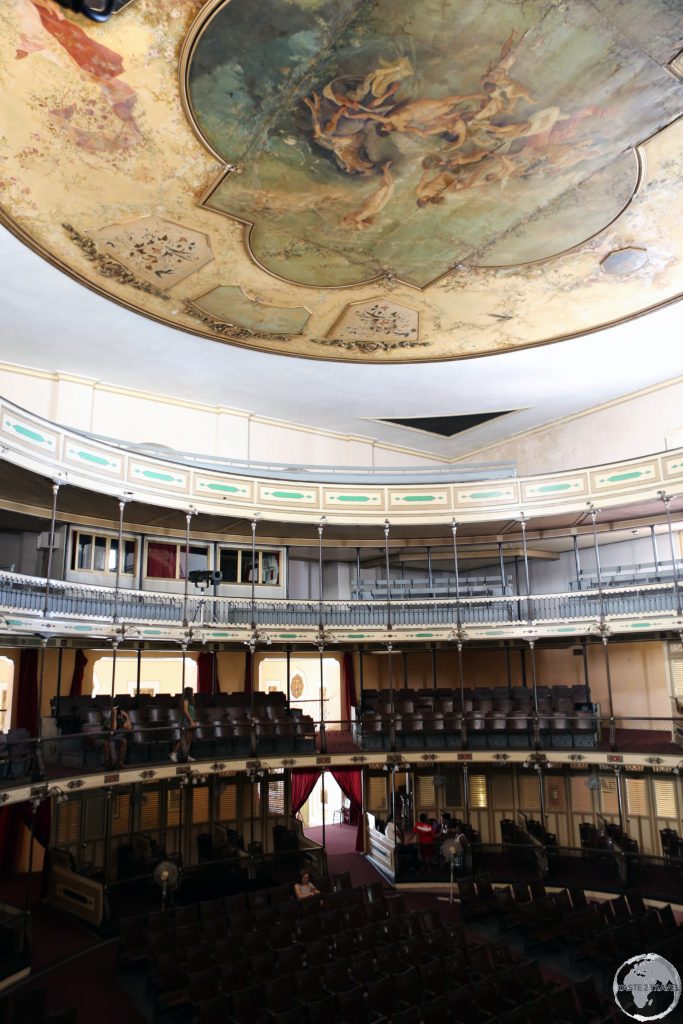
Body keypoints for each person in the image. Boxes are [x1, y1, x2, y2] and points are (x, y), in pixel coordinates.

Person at [170, 686, 197, 763]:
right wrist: (191, 721)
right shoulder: (185, 700)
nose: (193, 693)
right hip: (185, 721)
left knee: (188, 740)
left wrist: (193, 720)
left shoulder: (191, 700)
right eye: (192, 692)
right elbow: (185, 711)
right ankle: (173, 753)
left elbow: (191, 712)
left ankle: (186, 755)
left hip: (190, 720)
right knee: (183, 740)